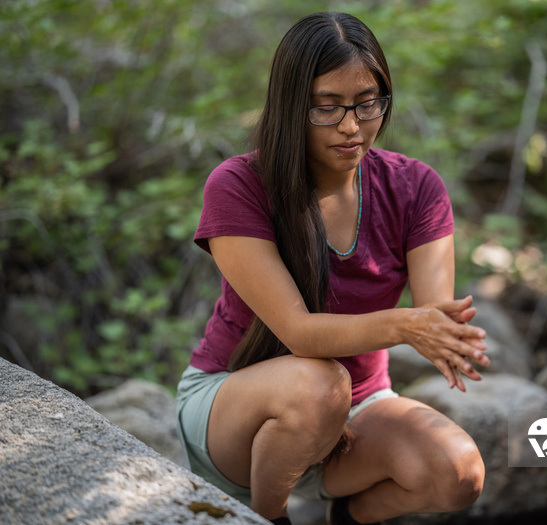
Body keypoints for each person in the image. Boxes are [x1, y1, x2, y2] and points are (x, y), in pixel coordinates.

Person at [176, 11, 490, 525]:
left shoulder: (416, 188)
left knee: (458, 473)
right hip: (237, 408)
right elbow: (299, 333)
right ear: (291, 106)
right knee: (318, 386)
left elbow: (434, 314)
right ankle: (266, 517)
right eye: (327, 108)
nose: (352, 127)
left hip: (356, 405)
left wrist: (445, 335)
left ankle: (347, 517)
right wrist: (408, 325)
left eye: (367, 104)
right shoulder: (238, 186)